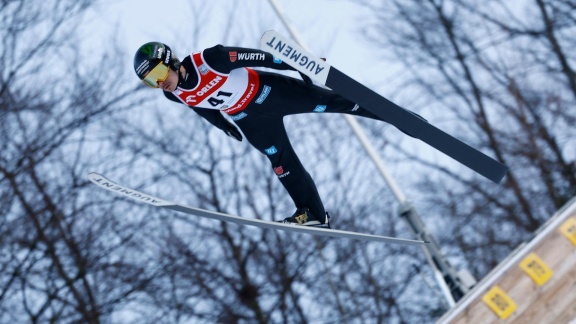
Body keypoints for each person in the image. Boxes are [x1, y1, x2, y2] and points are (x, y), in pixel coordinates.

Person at [133, 41, 398, 226]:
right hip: (249, 119)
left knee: (333, 102)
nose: (159, 83)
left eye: (158, 73)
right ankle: (313, 213)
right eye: (150, 82)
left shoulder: (210, 59)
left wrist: (299, 64)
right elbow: (200, 107)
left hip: (272, 94)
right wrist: (223, 125)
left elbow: (260, 57)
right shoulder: (174, 95)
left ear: (170, 61)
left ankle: (391, 115)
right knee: (280, 161)